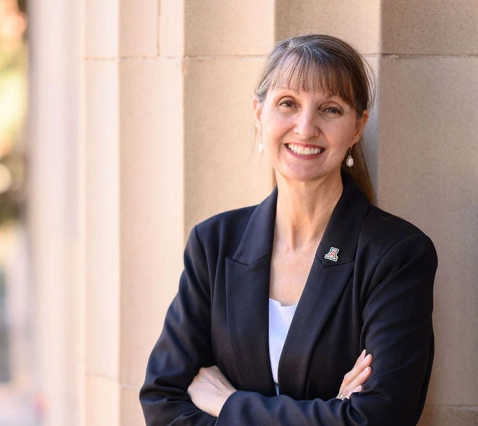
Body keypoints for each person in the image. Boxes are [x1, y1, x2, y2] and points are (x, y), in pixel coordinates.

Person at [140, 34, 437, 425]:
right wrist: (333, 411)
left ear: (357, 127)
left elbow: (378, 418)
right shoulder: (214, 243)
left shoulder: (396, 255)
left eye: (330, 109)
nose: (305, 126)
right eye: (288, 104)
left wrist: (228, 404)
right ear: (259, 113)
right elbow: (163, 401)